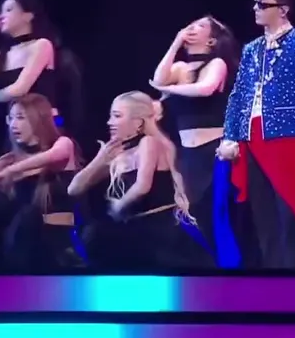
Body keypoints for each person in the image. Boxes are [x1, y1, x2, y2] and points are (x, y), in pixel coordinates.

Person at [219, 0, 295, 269]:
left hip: (289, 139)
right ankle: (271, 283)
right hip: (252, 140)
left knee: (291, 219)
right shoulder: (251, 49)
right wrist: (230, 136)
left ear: (283, 9)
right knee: (263, 221)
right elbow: (238, 95)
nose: (255, 8)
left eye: (262, 4)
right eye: (255, 2)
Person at [68, 91, 213, 269]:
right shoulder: (119, 154)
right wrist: (99, 160)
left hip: (158, 234)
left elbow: (143, 185)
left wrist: (119, 206)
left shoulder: (149, 143)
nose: (109, 122)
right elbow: (73, 189)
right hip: (135, 233)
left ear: (138, 123)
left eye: (117, 116)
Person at [149, 16, 241, 264]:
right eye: (190, 24)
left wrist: (169, 91)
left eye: (200, 25)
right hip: (187, 154)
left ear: (211, 40)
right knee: (190, 212)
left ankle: (230, 267)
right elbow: (158, 79)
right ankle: (208, 264)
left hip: (214, 151)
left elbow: (204, 88)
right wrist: (176, 43)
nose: (191, 27)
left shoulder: (217, 64)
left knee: (217, 213)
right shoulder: (180, 68)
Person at [0, 93, 85, 272]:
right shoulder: (12, 158)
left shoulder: (63, 144)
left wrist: (11, 171)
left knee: (29, 216)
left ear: (38, 119)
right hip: (20, 239)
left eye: (20, 117)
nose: (13, 124)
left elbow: (52, 156)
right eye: (11, 118)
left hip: (55, 239)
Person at [0, 0, 86, 154]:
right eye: (1, 11)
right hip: (16, 130)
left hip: (43, 127)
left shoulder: (41, 45)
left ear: (28, 15)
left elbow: (20, 88)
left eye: (9, 10)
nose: (2, 16)